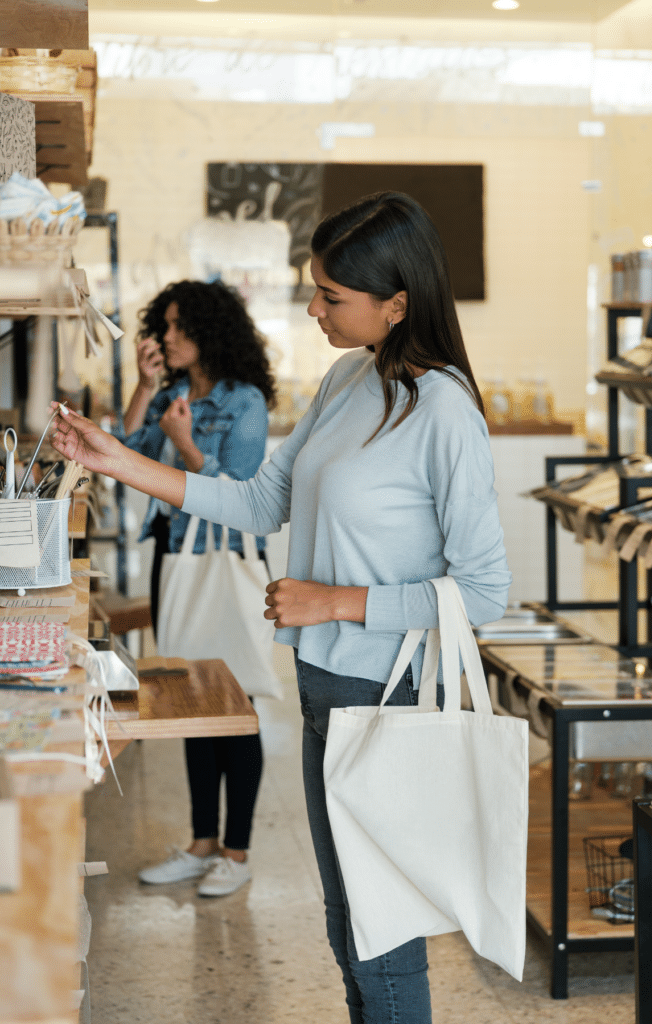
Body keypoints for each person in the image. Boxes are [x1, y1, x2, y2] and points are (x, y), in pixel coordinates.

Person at [53, 192, 511, 1024]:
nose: (312, 307)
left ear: (396, 302)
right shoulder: (347, 380)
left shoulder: (443, 409)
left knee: (381, 933)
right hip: (324, 689)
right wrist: (115, 458)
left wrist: (332, 599)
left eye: (331, 295)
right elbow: (262, 499)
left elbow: (484, 591)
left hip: (385, 698)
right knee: (346, 923)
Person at [121, 279, 277, 898]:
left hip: (223, 563)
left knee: (236, 709)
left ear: (213, 332)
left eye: (181, 327)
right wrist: (142, 386)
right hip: (174, 559)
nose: (168, 336)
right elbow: (128, 456)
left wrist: (186, 447)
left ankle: (235, 852)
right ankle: (200, 844)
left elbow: (241, 497)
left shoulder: (246, 402)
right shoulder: (174, 391)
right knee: (190, 704)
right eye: (165, 325)